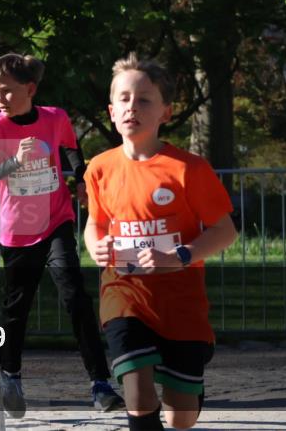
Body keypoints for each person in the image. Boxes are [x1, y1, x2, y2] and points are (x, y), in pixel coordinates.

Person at [83, 53, 237, 430]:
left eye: (144, 99)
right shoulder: (99, 167)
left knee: (180, 415)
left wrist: (180, 254)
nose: (132, 107)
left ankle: (189, 386)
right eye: (123, 98)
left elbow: (225, 230)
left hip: (180, 302)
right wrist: (94, 246)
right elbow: (94, 223)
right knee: (136, 392)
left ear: (165, 112)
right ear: (111, 110)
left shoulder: (188, 169)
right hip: (123, 293)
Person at [0, 53, 123, 418]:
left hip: (56, 220)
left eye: (7, 91)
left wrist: (81, 177)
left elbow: (69, 151)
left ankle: (101, 384)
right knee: (16, 308)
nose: (0, 98)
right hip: (17, 231)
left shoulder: (56, 118)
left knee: (75, 296)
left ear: (30, 89)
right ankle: (10, 377)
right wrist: (13, 163)